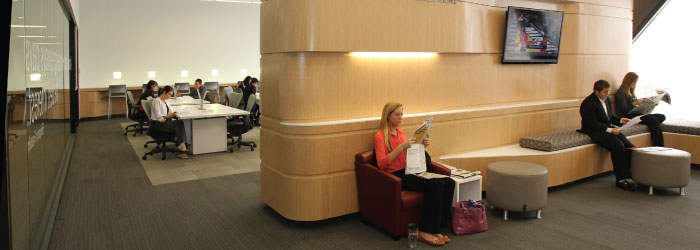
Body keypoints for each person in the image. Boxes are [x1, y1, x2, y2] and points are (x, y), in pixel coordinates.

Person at [373, 102, 454, 246]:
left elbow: (408, 154)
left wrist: (422, 145)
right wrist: (401, 147)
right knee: (436, 185)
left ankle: (438, 227)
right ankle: (424, 231)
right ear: (388, 116)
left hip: (409, 169)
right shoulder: (379, 136)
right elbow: (381, 163)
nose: (400, 117)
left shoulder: (400, 132)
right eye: (397, 114)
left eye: (402, 114)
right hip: (395, 176)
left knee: (449, 182)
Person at [580, 80, 636, 191]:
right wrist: (610, 130)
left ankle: (631, 175)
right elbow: (592, 123)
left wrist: (621, 120)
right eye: (605, 92)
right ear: (597, 91)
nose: (607, 94)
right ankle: (620, 179)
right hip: (593, 131)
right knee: (618, 146)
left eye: (608, 91)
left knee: (630, 146)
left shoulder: (607, 100)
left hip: (606, 129)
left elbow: (609, 117)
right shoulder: (588, 103)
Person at [614, 72, 666, 146]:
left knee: (661, 116)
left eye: (636, 82)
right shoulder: (620, 93)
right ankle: (659, 146)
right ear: (629, 81)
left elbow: (634, 107)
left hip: (636, 113)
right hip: (628, 116)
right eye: (634, 81)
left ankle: (652, 126)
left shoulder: (631, 92)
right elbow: (624, 110)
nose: (635, 83)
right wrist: (634, 103)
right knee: (653, 120)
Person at [150, 86, 189, 159]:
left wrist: (173, 112)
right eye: (169, 94)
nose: (170, 96)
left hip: (164, 122)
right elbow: (159, 117)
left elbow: (170, 109)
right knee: (178, 123)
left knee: (179, 122)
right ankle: (182, 145)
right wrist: (170, 115)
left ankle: (181, 144)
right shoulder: (156, 101)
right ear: (164, 92)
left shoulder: (166, 101)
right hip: (157, 124)